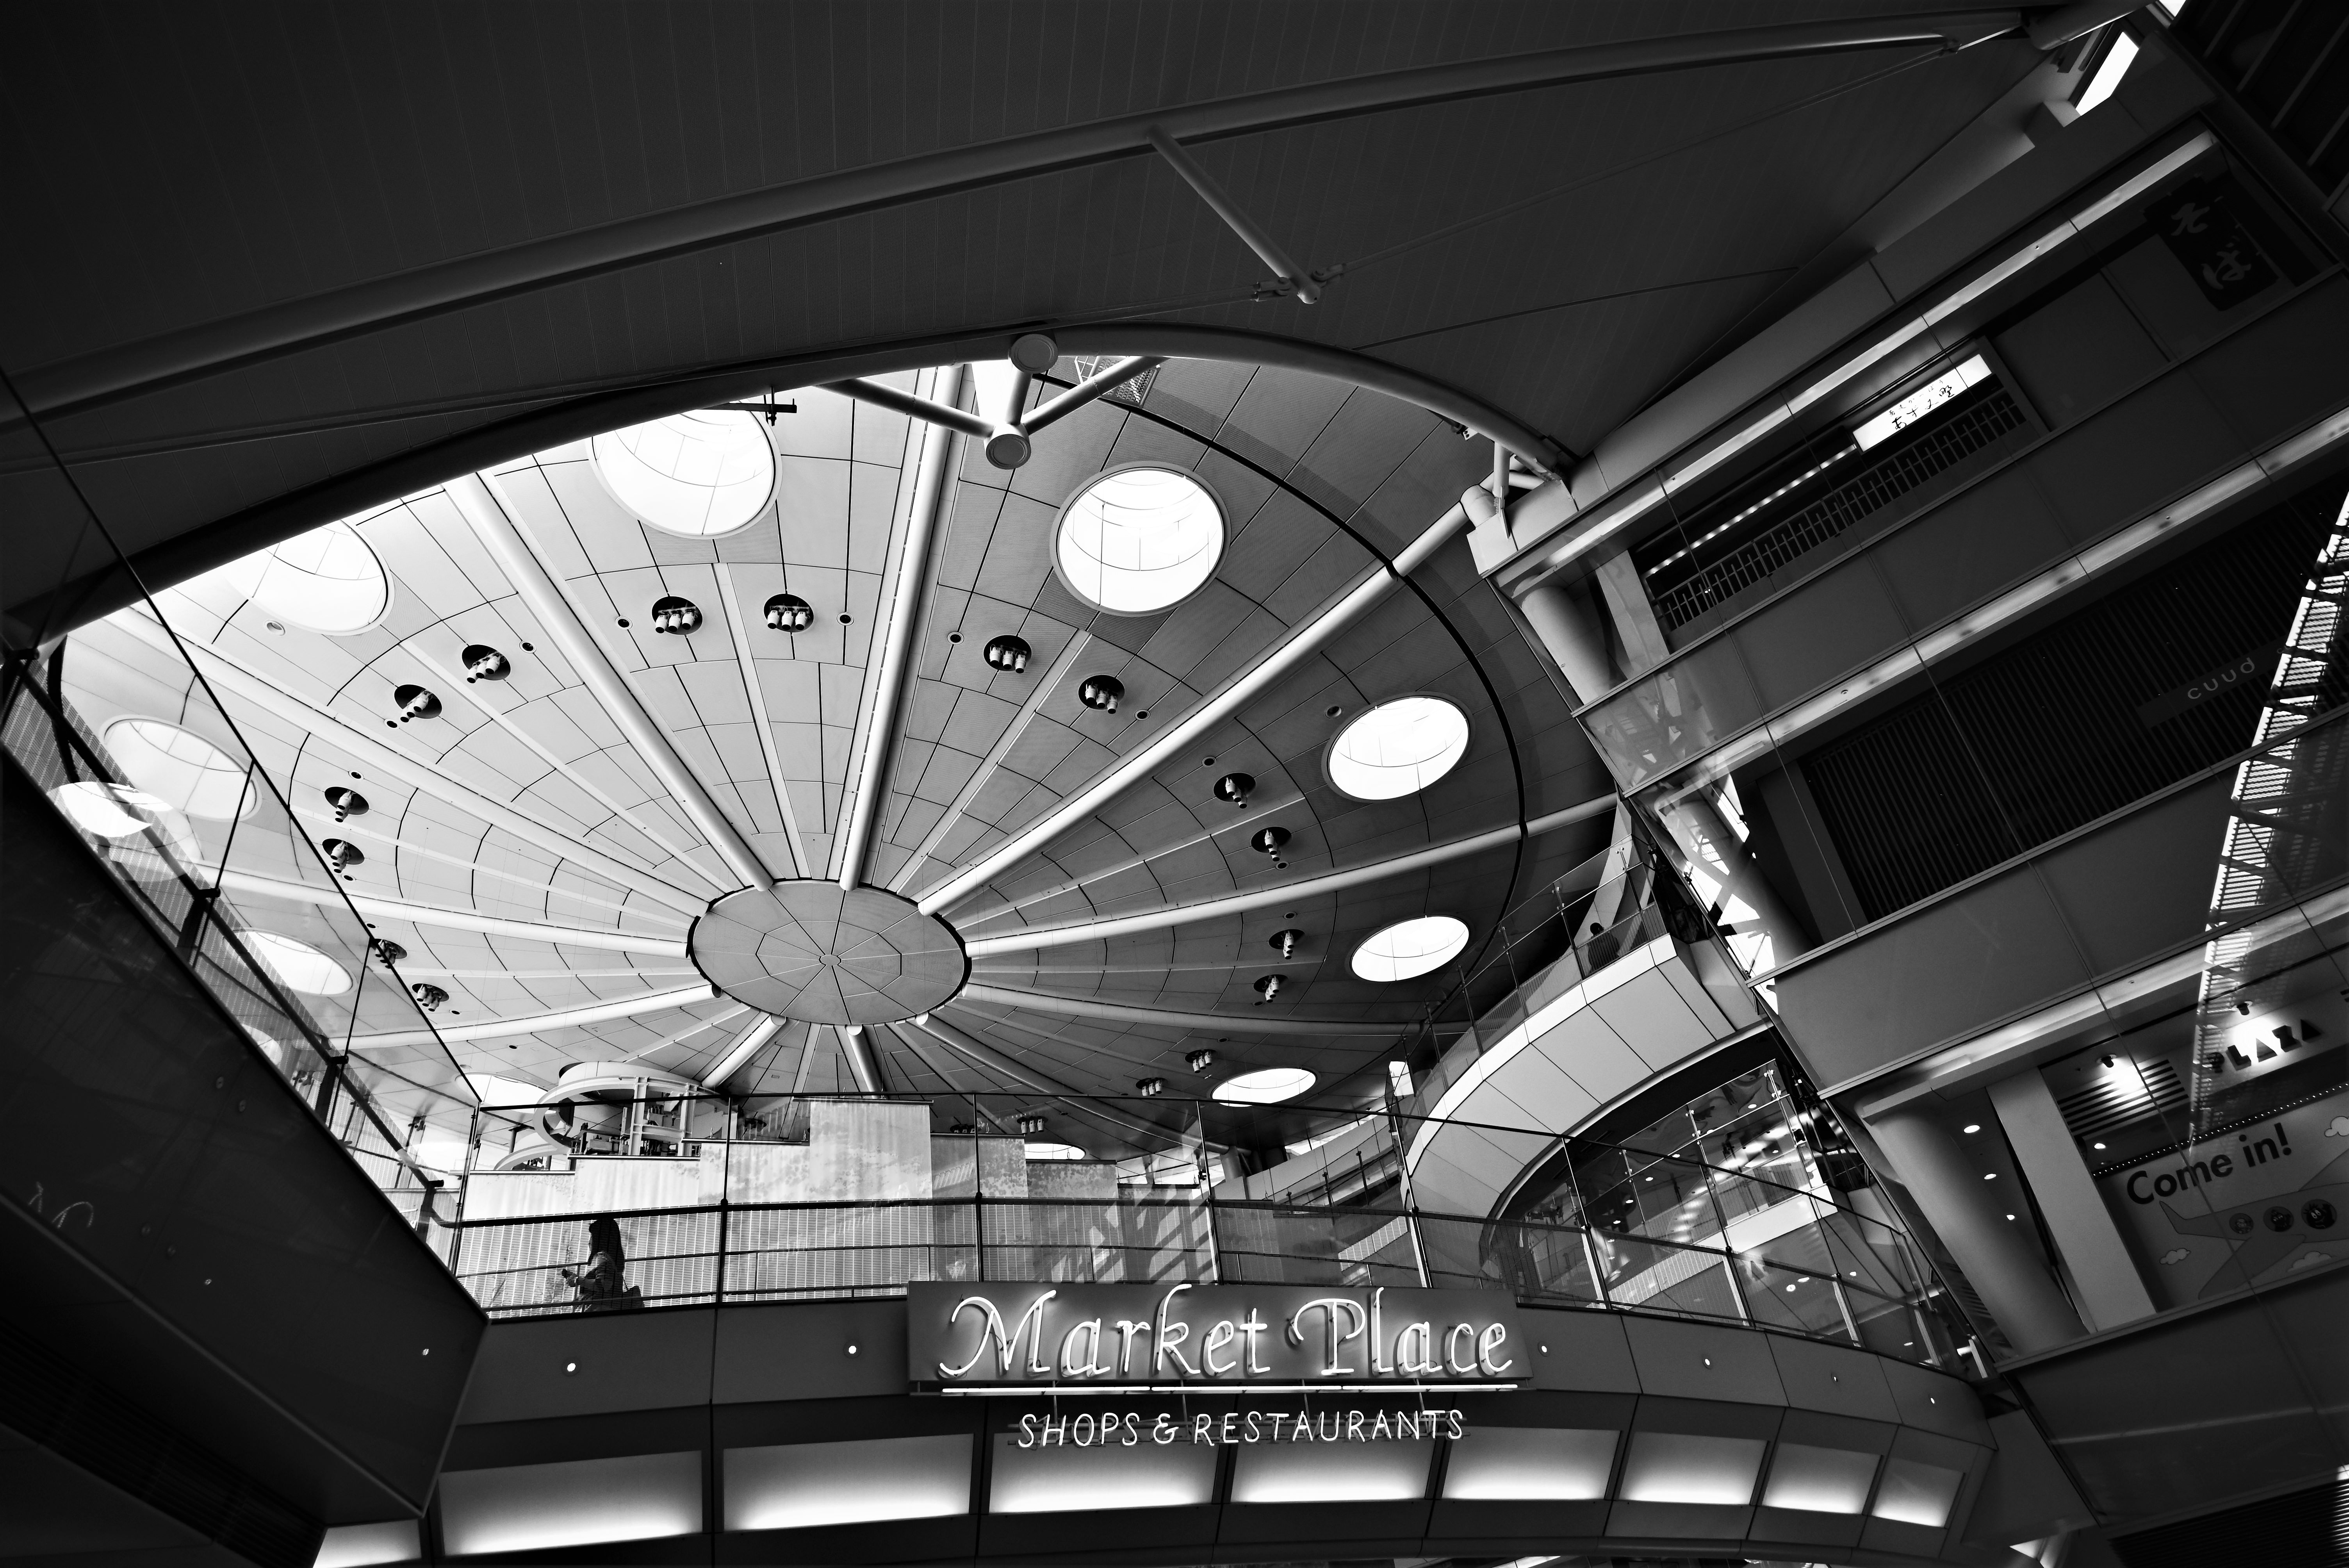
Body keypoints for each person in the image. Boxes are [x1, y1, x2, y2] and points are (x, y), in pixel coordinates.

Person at [561, 1215, 631, 1311]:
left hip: (599, 1310)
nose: (589, 1241)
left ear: (600, 1238)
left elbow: (604, 1285)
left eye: (592, 1236)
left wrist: (577, 1281)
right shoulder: (612, 1259)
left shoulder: (602, 1257)